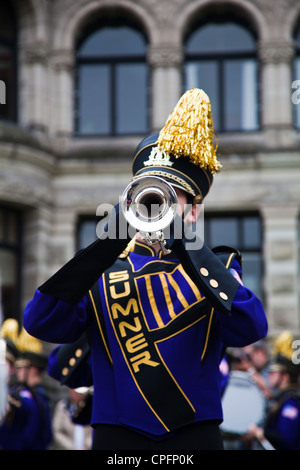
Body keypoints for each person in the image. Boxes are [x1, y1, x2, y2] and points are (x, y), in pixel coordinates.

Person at [23, 88, 268, 450]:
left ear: (194, 211)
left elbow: (250, 327)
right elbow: (40, 321)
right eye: (150, 192)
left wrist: (189, 242)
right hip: (116, 439)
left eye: (173, 195)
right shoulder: (101, 271)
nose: (159, 203)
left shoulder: (217, 267)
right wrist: (108, 240)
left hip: (194, 438)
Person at [0, 323, 53, 450]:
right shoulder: (18, 390)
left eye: (22, 367)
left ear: (33, 369)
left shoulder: (38, 399)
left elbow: (34, 436)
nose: (18, 371)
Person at [247, 331, 300, 450]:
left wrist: (261, 433)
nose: (269, 375)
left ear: (285, 376)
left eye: (274, 372)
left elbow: (286, 439)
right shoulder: (284, 398)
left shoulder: (291, 403)